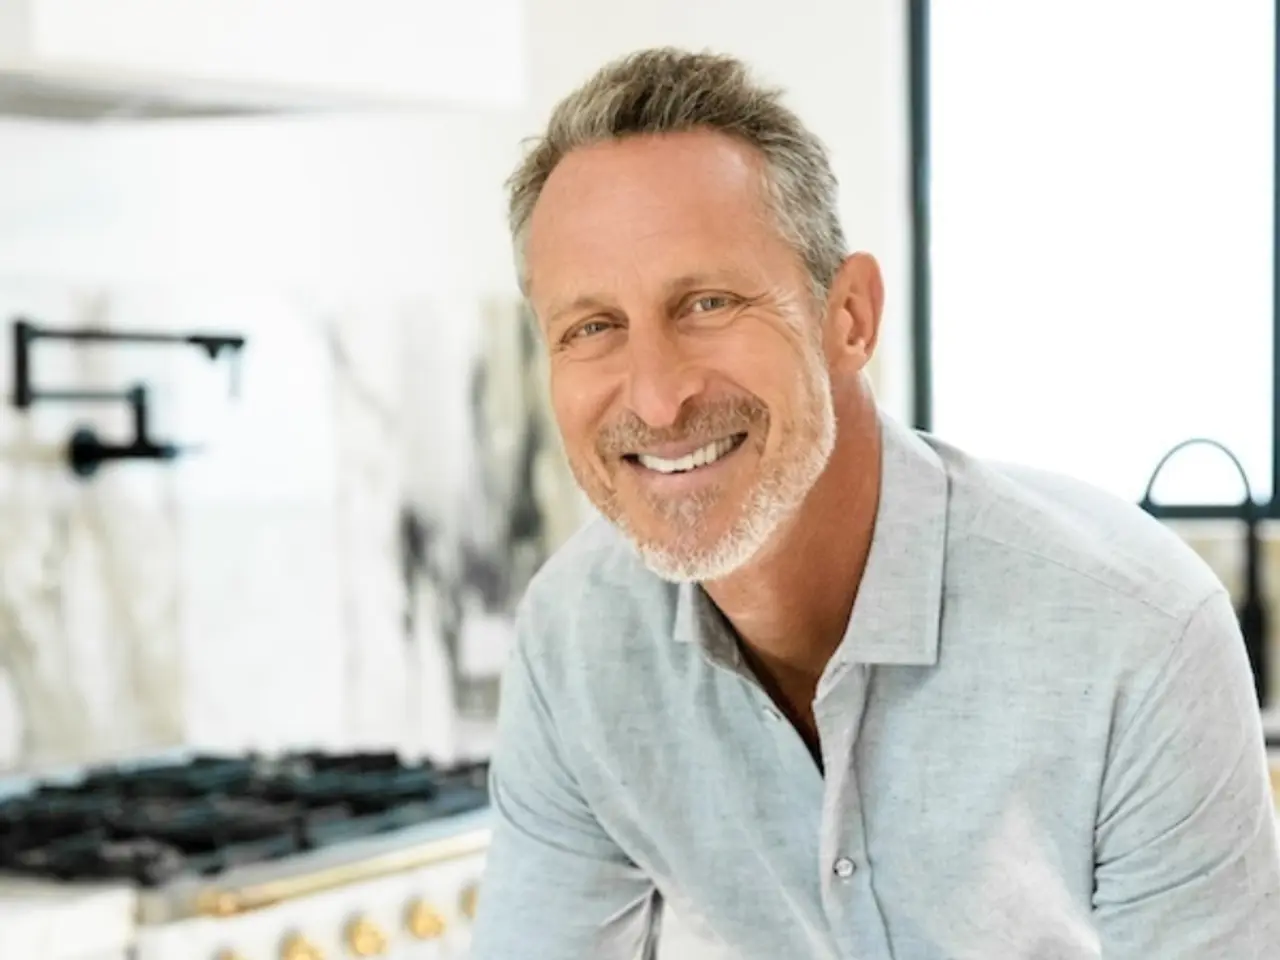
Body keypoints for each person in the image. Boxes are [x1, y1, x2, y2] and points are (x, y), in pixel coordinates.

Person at [468, 47, 1280, 960]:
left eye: (707, 303)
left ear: (849, 316)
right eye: (593, 329)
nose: (656, 398)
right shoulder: (574, 644)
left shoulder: (1139, 635)